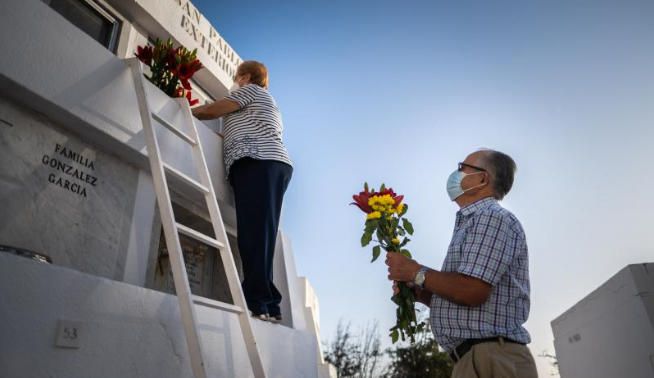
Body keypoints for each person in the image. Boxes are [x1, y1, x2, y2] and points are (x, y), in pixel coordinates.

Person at [386, 149, 538, 377]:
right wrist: (420, 292)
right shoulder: (473, 222)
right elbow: (464, 299)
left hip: (492, 359)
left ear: (482, 178)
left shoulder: (491, 218)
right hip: (475, 358)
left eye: (462, 168)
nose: (455, 174)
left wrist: (415, 271)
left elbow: (472, 291)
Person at [192, 61, 293, 322]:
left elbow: (213, 110)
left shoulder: (249, 91)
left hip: (258, 161)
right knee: (261, 235)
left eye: (236, 76)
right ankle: (269, 304)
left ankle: (259, 302)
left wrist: (188, 108)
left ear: (246, 77)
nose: (234, 81)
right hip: (270, 163)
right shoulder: (264, 102)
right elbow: (236, 130)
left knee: (253, 234)